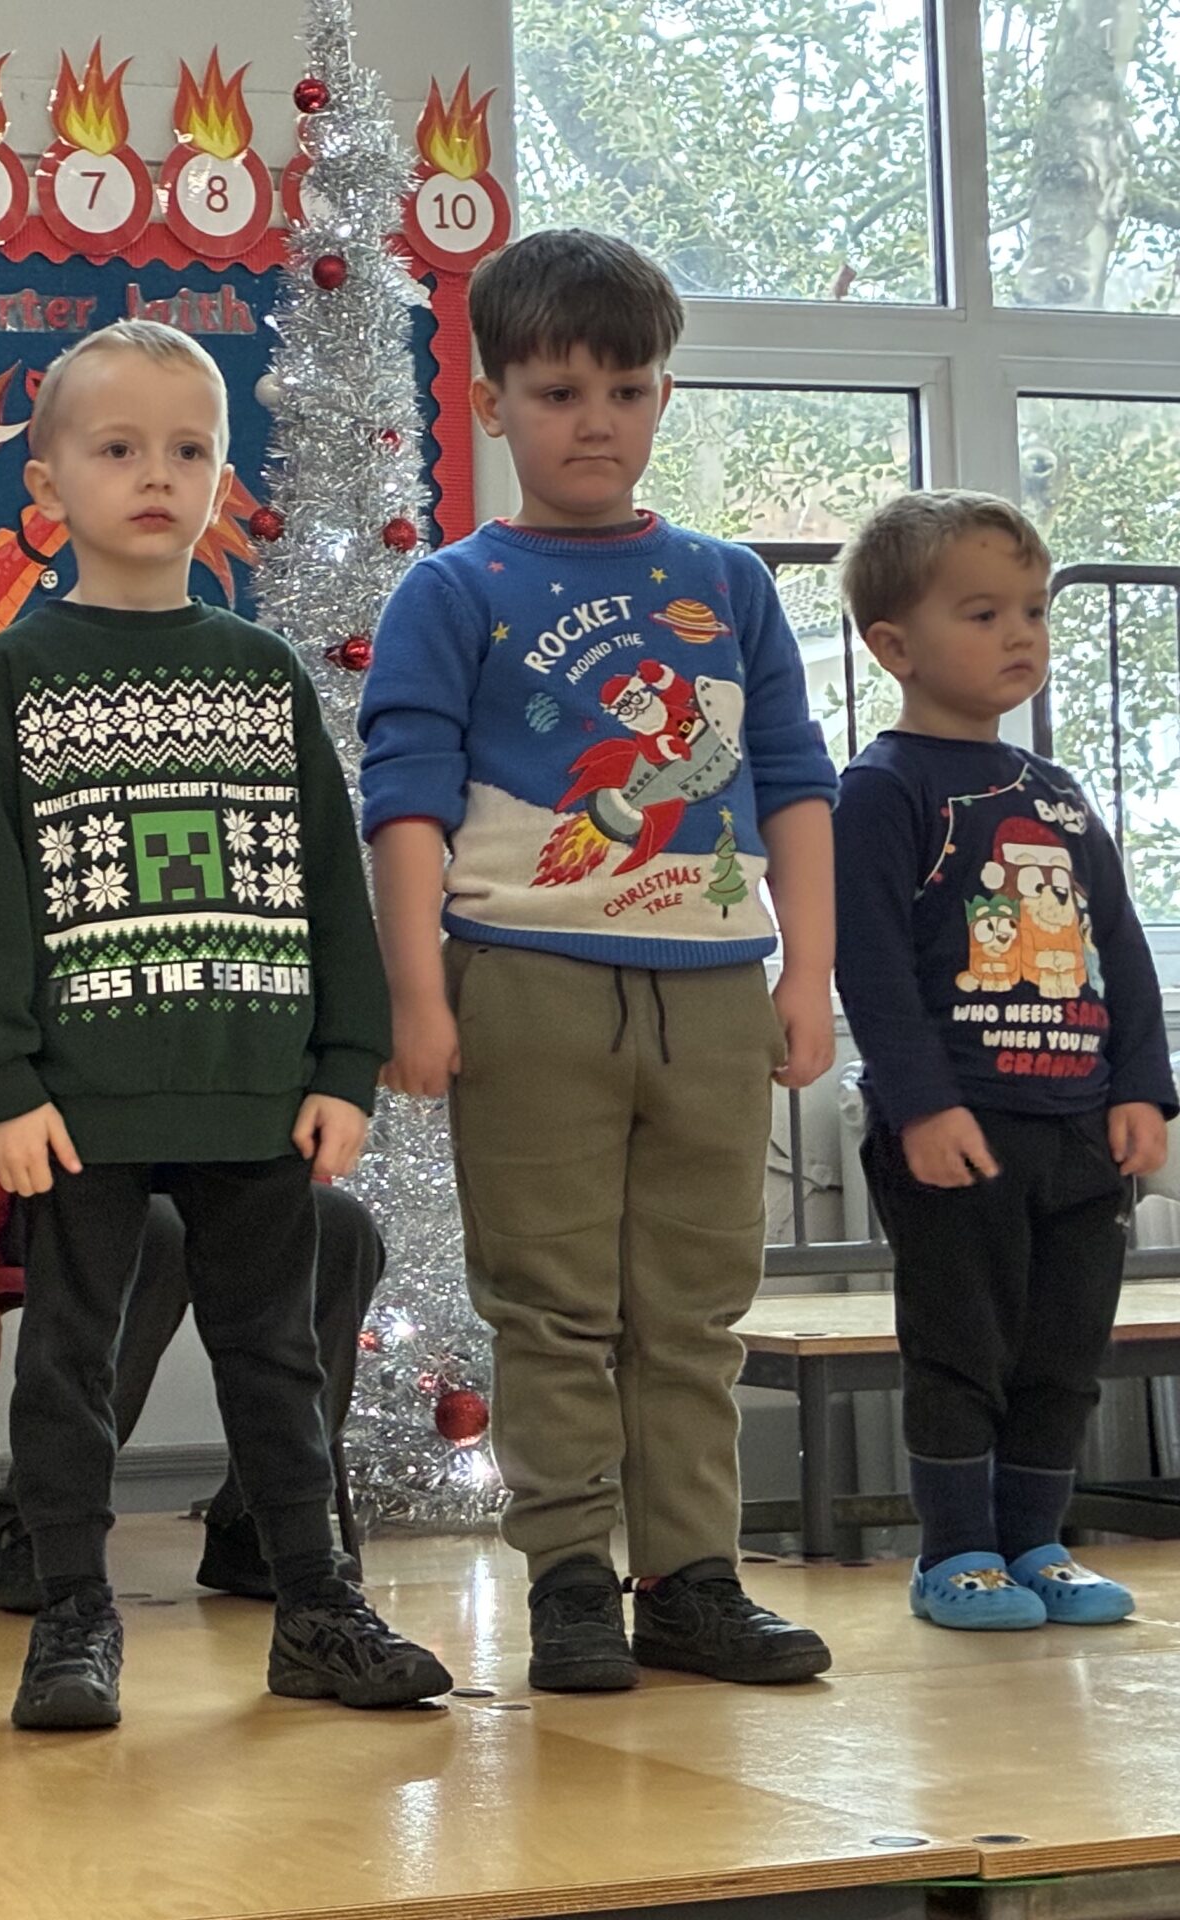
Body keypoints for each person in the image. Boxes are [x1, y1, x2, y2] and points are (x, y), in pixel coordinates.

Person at [0, 318, 451, 1732]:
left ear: (224, 479)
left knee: (276, 1360)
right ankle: (71, 1615)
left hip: (253, 1090)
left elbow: (333, 885)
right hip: (80, 1102)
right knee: (67, 1365)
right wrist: (3, 1078)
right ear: (47, 483)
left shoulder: (262, 673)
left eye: (187, 450)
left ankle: (317, 1607)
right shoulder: (16, 676)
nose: (155, 475)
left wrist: (344, 1067)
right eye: (118, 449)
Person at [361, 229, 837, 1693]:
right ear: (491, 402)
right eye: (558, 392)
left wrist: (806, 978)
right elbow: (405, 801)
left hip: (712, 986)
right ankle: (571, 1578)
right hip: (528, 981)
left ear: (662, 399)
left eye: (625, 392)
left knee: (693, 1307)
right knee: (552, 1304)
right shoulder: (453, 589)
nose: (594, 423)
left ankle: (692, 1578)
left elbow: (793, 779)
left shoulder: (726, 582)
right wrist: (419, 995)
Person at [833, 490, 1173, 1630]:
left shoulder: (1058, 794)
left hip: (1079, 1126)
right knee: (962, 1347)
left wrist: (1142, 1087)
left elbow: (1117, 948)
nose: (1020, 634)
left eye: (1031, 609)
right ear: (894, 647)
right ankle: (956, 1553)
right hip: (960, 1127)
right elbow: (870, 965)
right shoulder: (883, 789)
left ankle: (1036, 1541)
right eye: (982, 615)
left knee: (1063, 1350)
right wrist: (920, 1106)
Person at [0, 1070, 384, 1611]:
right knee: (154, 1233)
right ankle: (42, 1523)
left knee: (339, 1228)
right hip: (60, 1185)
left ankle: (259, 1522)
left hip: (213, 1178)